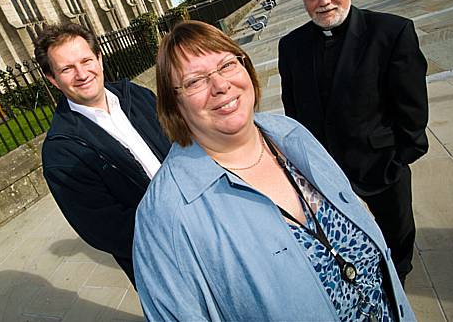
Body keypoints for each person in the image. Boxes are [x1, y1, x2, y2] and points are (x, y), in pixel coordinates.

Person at [134, 20, 415, 321]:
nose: (220, 86)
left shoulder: (290, 133)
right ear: (174, 104)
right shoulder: (165, 215)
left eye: (227, 64)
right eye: (195, 81)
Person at [278, 0, 428, 284]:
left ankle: (395, 289)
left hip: (382, 167)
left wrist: (399, 159)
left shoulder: (391, 32)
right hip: (326, 176)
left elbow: (412, 108)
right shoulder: (290, 47)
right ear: (304, 1)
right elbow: (293, 112)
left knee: (397, 239)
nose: (324, 1)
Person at [34, 23, 170, 286]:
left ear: (100, 58)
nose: (82, 73)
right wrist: (176, 229)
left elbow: (183, 145)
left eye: (86, 60)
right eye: (66, 69)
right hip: (159, 260)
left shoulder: (138, 95)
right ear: (53, 80)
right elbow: (103, 228)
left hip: (208, 225)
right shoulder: (62, 152)